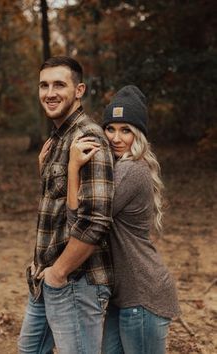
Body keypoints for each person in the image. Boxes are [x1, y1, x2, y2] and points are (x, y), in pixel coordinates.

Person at [67, 85, 181, 354]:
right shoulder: (119, 167)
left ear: (138, 134)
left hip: (143, 295)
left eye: (126, 130)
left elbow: (80, 221)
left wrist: (73, 168)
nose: (116, 138)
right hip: (125, 297)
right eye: (110, 128)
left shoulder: (131, 169)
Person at [18, 56, 114, 354]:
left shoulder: (88, 137)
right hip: (46, 277)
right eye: (44, 85)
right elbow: (60, 205)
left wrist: (58, 272)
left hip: (76, 281)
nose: (50, 93)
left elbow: (95, 220)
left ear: (79, 90)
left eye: (59, 84)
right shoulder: (59, 138)